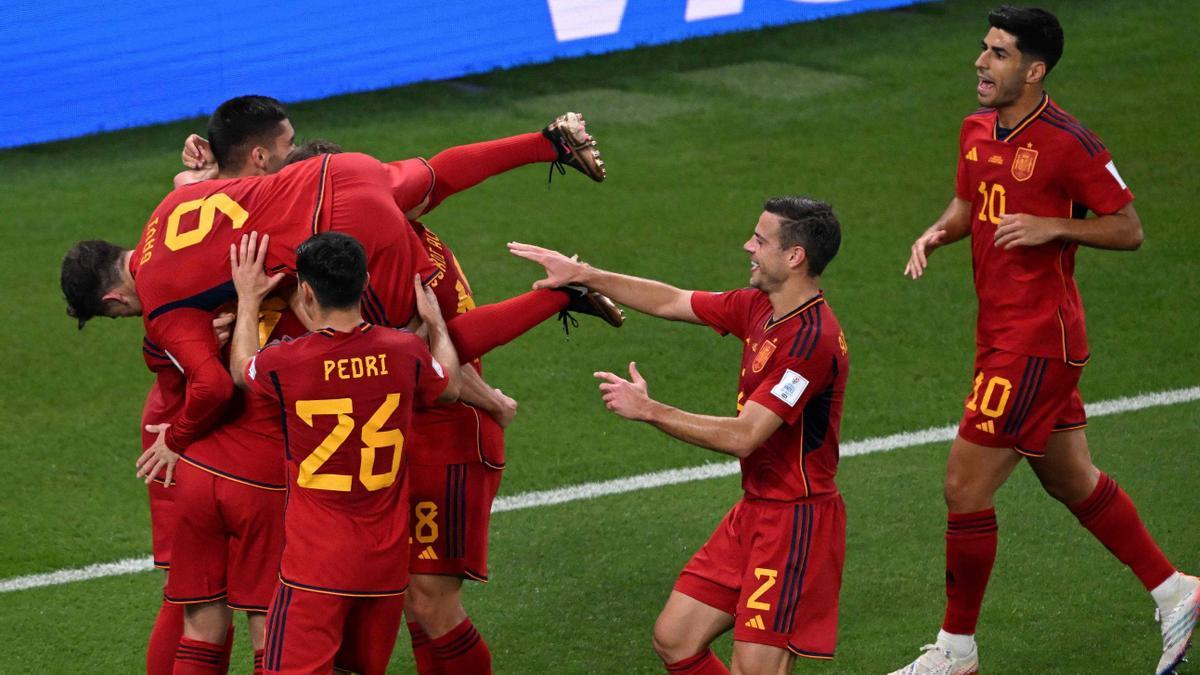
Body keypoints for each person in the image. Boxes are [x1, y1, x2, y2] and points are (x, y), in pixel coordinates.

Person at [890, 7, 1197, 675]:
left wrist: (1056, 227)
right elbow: (969, 203)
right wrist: (937, 233)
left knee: (963, 486)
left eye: (998, 53)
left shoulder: (1069, 143)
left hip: (1037, 341)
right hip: (997, 334)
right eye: (984, 47)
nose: (981, 61)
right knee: (1072, 479)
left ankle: (956, 650)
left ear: (1034, 70)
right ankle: (1178, 590)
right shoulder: (976, 128)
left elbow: (1129, 228)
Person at [510, 196, 849, 674]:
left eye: (760, 239)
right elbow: (672, 299)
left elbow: (745, 436)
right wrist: (583, 274)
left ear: (795, 257)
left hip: (796, 524)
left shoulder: (811, 342)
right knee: (677, 638)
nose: (747, 246)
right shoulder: (759, 308)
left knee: (755, 669)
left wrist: (651, 411)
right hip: (756, 509)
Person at [230, 231, 460, 674]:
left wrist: (247, 299)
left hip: (316, 568)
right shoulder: (405, 351)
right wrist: (437, 325)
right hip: (385, 568)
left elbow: (243, 369)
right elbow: (448, 384)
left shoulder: (286, 363)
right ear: (366, 281)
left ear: (308, 292)